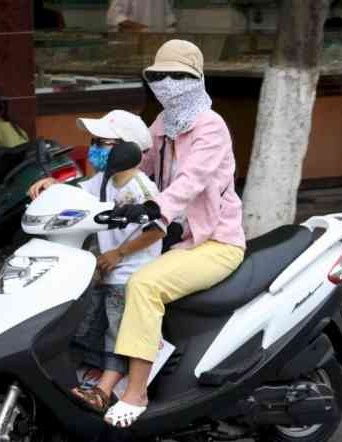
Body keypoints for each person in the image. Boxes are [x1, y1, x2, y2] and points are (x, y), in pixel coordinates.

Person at [96, 40, 246, 427]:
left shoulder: (212, 127)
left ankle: (136, 391)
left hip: (214, 242)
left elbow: (191, 179)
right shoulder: (163, 123)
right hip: (174, 239)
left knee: (143, 286)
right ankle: (104, 375)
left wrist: (156, 208)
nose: (167, 83)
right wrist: (62, 183)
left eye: (178, 76)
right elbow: (135, 161)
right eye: (159, 76)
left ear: (196, 80)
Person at [28, 110, 165, 415]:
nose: (94, 149)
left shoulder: (141, 188)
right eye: (94, 142)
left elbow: (157, 229)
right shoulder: (103, 180)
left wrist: (119, 253)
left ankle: (104, 391)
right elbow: (78, 193)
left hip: (128, 275)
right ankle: (80, 382)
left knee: (117, 335)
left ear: (127, 150)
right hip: (102, 274)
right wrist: (53, 185)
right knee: (87, 327)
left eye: (102, 143)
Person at [107, 0, 176, 33]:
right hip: (133, 42)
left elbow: (170, 20)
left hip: (155, 41)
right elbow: (115, 16)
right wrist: (142, 29)